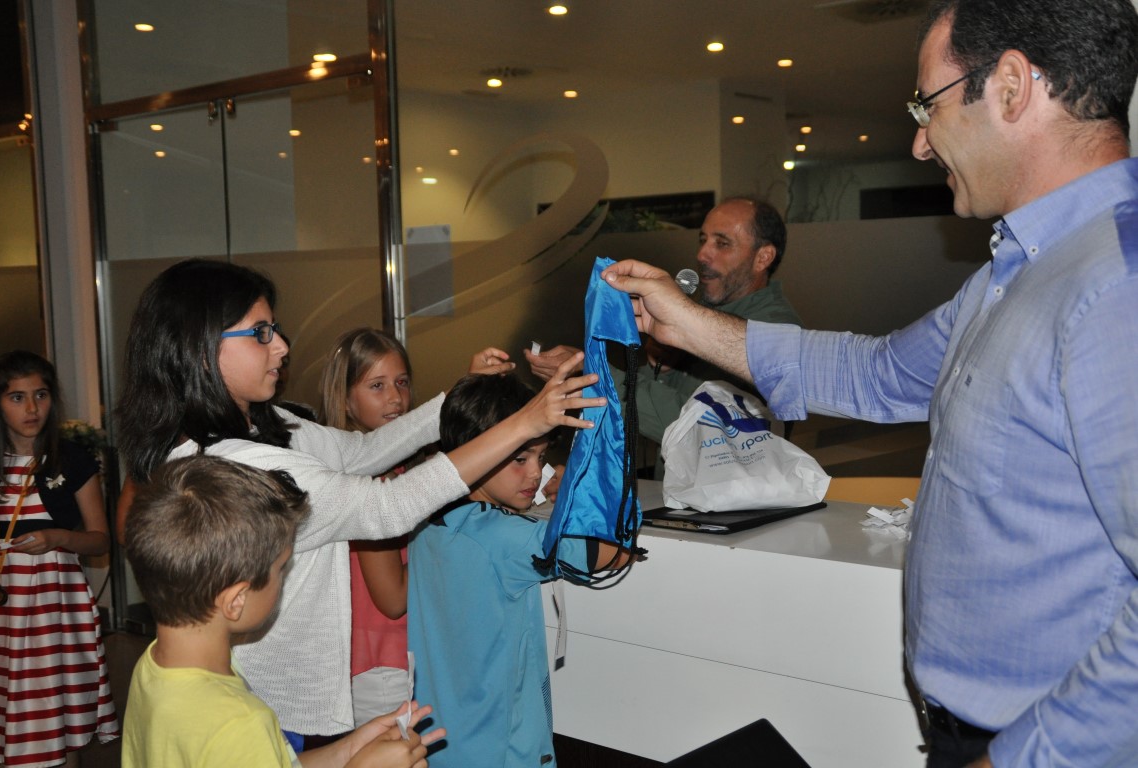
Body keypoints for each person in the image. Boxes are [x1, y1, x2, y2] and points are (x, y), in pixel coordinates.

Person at [599, 2, 1138, 766]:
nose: (920, 141)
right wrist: (685, 322)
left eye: (928, 104)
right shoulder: (1017, 274)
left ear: (1012, 87)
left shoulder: (1116, 286)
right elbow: (878, 374)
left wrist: (1024, 757)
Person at [114, 259, 603, 743]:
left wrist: (463, 395)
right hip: (273, 702)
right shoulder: (235, 465)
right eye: (260, 333)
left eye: (275, 329)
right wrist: (522, 423)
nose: (281, 346)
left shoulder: (265, 425)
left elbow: (362, 452)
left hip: (288, 697)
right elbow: (384, 507)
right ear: (200, 350)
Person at [121, 454, 443, 768]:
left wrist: (348, 750)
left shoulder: (156, 666)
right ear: (236, 600)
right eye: (281, 568)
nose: (284, 576)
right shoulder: (239, 721)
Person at [407, 373, 632, 767]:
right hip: (505, 750)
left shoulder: (425, 519)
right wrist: (584, 492)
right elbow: (614, 553)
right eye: (520, 459)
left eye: (541, 458)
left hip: (442, 741)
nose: (535, 473)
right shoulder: (506, 538)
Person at [318, 327, 513, 726]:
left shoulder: (404, 466)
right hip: (381, 665)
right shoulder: (362, 481)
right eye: (377, 385)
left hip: (408, 651)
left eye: (402, 382)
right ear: (344, 399)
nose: (395, 397)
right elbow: (392, 599)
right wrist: (452, 548)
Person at [526, 197, 801, 464]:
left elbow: (697, 428)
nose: (702, 255)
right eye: (702, 240)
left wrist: (591, 372)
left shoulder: (774, 332)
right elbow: (649, 407)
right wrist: (662, 364)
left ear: (763, 257)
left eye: (722, 243)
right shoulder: (704, 311)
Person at [0, 350, 119, 767]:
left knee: (56, 702)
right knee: (1, 698)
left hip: (56, 604)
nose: (32, 408)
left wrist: (60, 537)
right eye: (17, 397)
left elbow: (100, 540)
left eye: (40, 395)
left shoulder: (72, 460)